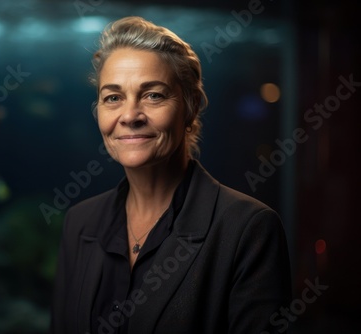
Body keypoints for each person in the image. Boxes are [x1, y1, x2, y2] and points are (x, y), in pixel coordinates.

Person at [51, 16, 291, 334]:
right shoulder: (79, 223)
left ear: (190, 107)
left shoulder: (248, 230)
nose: (130, 116)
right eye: (113, 97)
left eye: (153, 95)